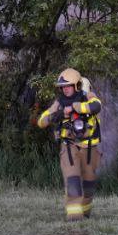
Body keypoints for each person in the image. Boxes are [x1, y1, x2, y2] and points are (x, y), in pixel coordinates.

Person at [37, 68, 103, 221]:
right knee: (72, 180)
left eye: (68, 86)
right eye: (63, 87)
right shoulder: (59, 102)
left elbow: (96, 106)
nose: (64, 89)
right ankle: (74, 216)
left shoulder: (88, 96)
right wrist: (60, 114)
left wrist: (76, 107)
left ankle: (85, 211)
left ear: (77, 85)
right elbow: (42, 121)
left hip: (89, 149)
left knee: (89, 184)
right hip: (69, 146)